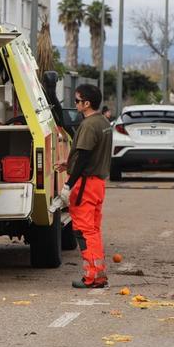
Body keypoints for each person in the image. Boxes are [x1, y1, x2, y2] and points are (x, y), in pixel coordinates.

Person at [57, 83, 113, 289]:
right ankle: (98, 274)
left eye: (78, 101)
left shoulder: (89, 125)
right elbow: (89, 156)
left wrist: (68, 184)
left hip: (85, 186)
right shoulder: (103, 122)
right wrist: (69, 164)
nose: (75, 104)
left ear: (87, 103)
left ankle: (91, 277)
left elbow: (85, 156)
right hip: (97, 184)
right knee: (94, 230)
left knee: (83, 231)